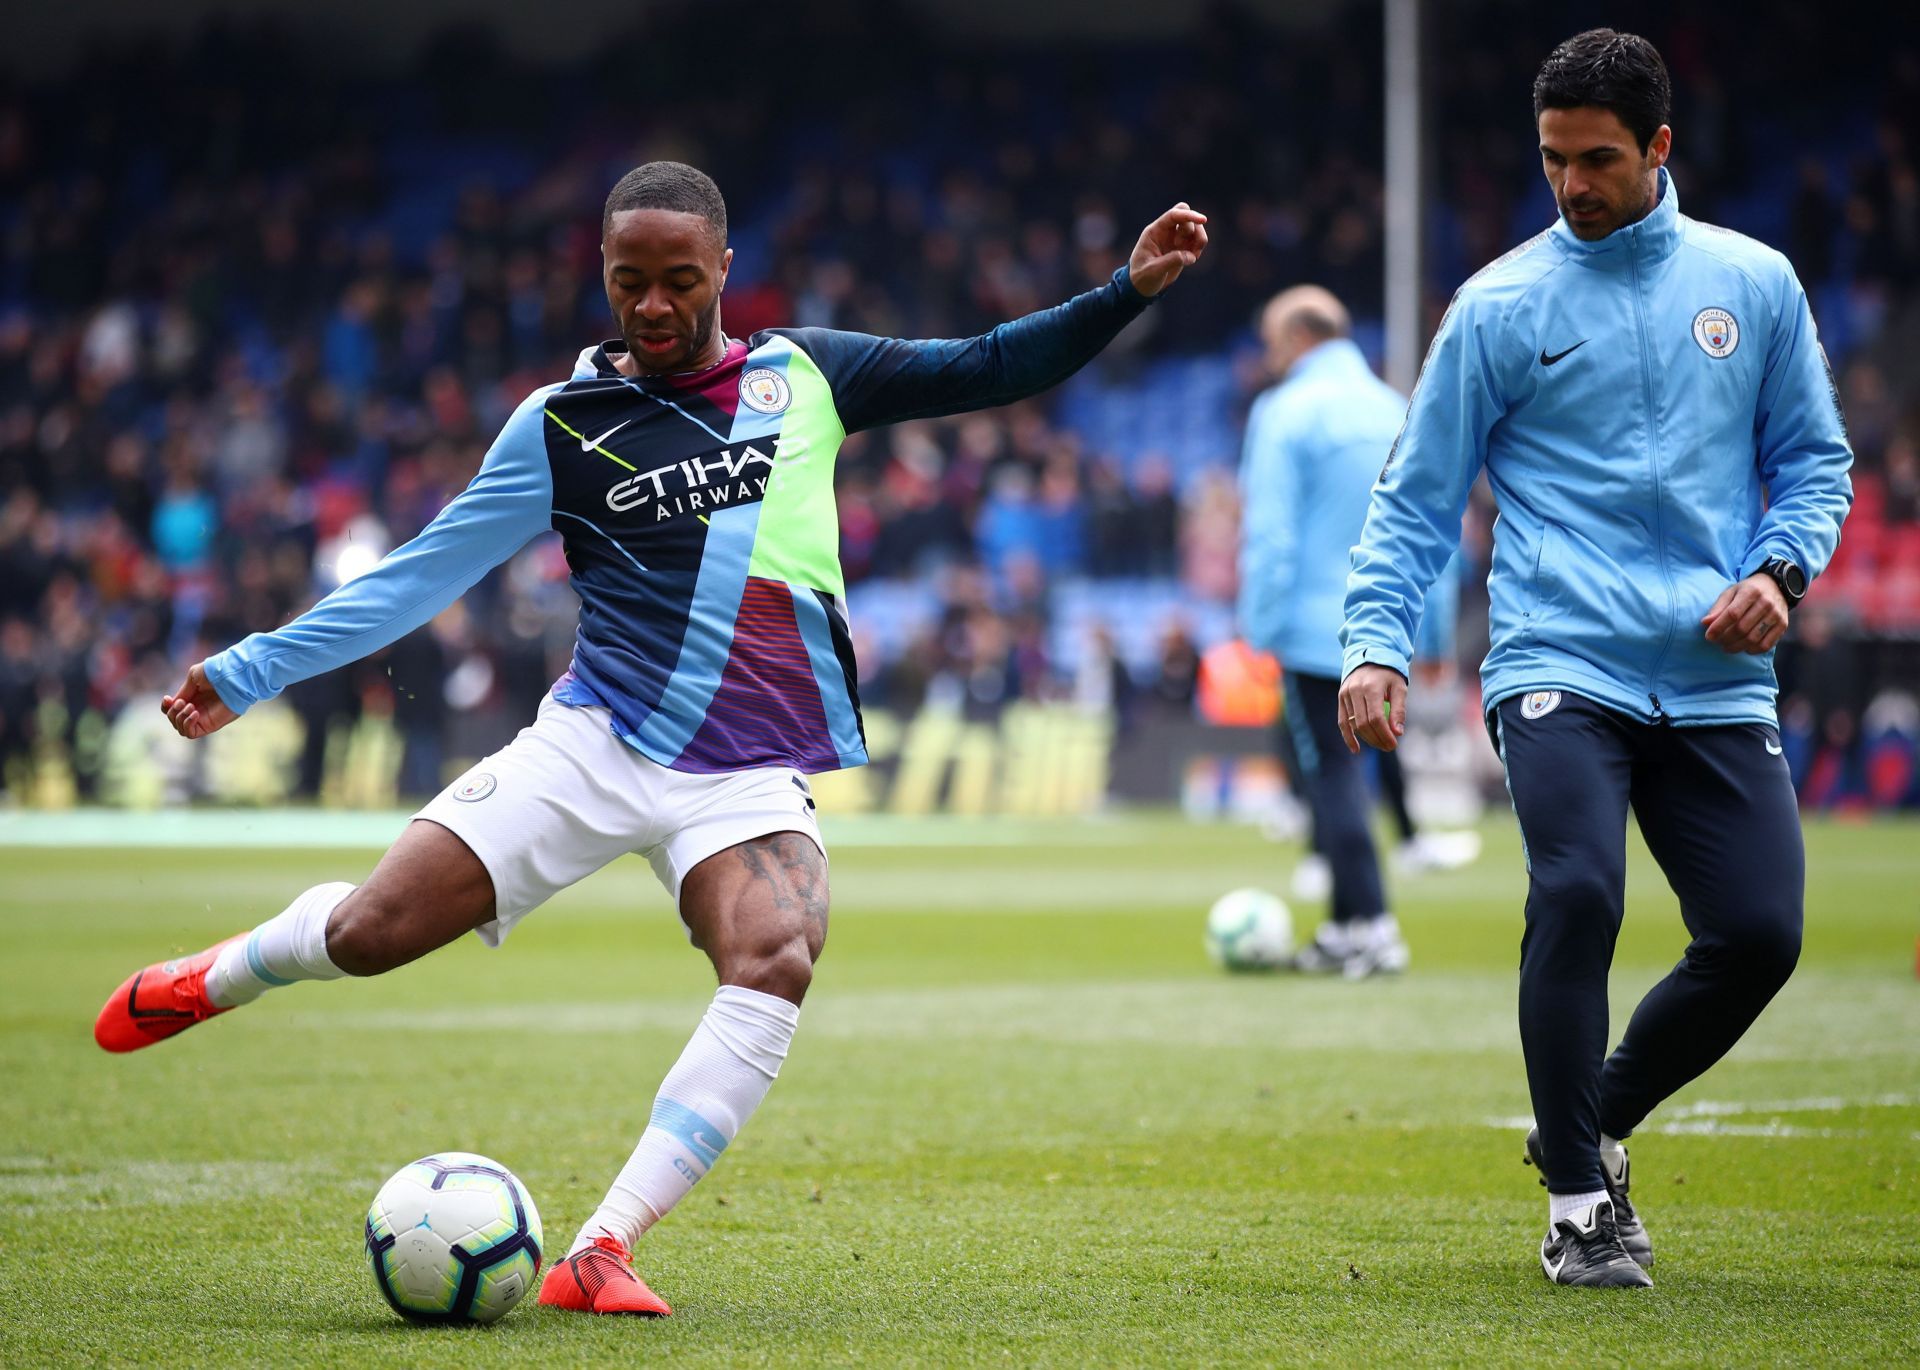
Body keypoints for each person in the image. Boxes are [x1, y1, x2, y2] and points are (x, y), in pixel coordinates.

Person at [92, 162, 1209, 1316]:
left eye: (682, 280)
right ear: (607, 278)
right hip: (596, 742)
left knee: (778, 948)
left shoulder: (806, 375)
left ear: (725, 269)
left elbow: (987, 364)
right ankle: (221, 973)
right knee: (374, 934)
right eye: (632, 283)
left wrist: (1124, 290)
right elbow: (418, 575)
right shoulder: (560, 426)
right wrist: (249, 666)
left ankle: (603, 1246)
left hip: (745, 763)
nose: (657, 306)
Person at [1338, 30, 1851, 1288]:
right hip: (1559, 654)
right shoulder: (1502, 304)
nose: (1573, 182)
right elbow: (1418, 495)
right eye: (1555, 157)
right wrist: (1376, 644)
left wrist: (1780, 573)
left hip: (1716, 667)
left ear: (1660, 146)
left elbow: (1814, 462)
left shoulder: (1757, 283)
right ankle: (1578, 1204)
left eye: (1600, 159)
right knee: (1577, 891)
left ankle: (1587, 1119)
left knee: (1760, 932)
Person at [1239, 286, 1473, 977]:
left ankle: (1370, 925)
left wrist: (1260, 626)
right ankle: (1345, 927)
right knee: (1351, 773)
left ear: (1292, 339)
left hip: (1314, 632)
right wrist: (1428, 637)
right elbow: (1436, 528)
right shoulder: (1392, 407)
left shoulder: (1283, 411)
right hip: (1389, 627)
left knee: (1330, 779)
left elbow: (1272, 533)